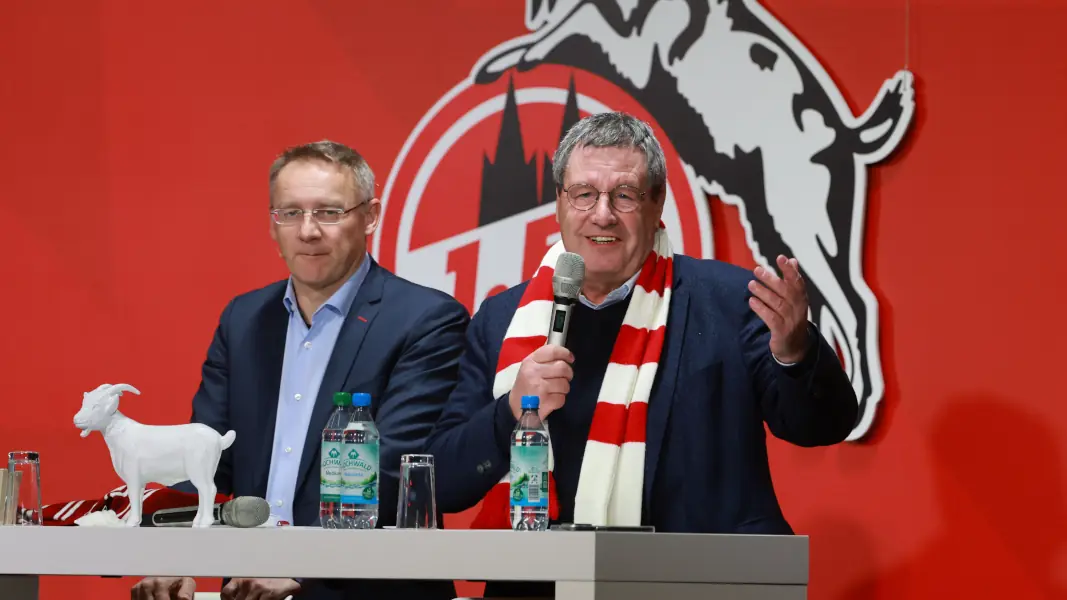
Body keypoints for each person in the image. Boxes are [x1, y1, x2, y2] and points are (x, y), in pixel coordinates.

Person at [425, 112, 859, 596]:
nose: (603, 214)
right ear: (559, 205)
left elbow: (821, 425)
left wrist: (795, 350)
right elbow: (444, 481)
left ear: (658, 205)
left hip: (700, 586)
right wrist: (511, 410)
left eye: (625, 195)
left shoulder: (729, 301)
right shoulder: (503, 318)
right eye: (584, 194)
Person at [132, 141, 468, 600]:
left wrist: (304, 565)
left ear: (370, 216)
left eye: (329, 212)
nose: (308, 231)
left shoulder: (425, 319)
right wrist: (178, 557)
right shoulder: (244, 319)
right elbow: (204, 455)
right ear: (273, 223)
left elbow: (392, 466)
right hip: (248, 590)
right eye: (290, 213)